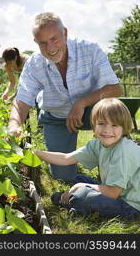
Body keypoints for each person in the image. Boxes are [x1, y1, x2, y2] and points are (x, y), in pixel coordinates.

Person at [8, 12, 122, 182]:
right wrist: (14, 124)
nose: (51, 48)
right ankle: (77, 174)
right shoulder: (34, 64)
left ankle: (113, 162)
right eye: (43, 43)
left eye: (54, 39)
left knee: (115, 113)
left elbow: (114, 88)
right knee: (63, 177)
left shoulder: (90, 50)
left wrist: (81, 103)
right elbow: (22, 100)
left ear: (65, 33)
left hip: (92, 112)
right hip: (56, 116)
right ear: (36, 43)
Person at [34, 98, 140, 220]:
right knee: (79, 178)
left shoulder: (123, 151)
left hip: (130, 205)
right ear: (94, 126)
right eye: (101, 123)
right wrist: (37, 153)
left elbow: (113, 192)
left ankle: (75, 205)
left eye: (114, 125)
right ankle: (73, 200)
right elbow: (66, 158)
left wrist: (79, 187)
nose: (107, 130)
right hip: (116, 193)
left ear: (124, 128)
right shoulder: (98, 144)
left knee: (83, 194)